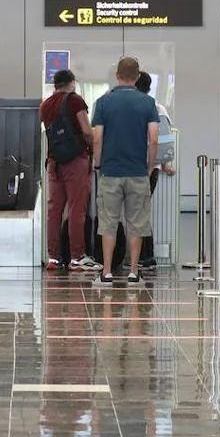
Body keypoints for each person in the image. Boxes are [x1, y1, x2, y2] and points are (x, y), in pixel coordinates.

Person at [91, 56, 159, 285]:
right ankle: (133, 272)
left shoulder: (103, 102)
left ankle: (107, 272)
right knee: (137, 223)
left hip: (110, 171)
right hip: (138, 172)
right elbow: (154, 138)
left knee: (108, 222)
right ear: (138, 77)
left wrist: (98, 164)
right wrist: (149, 166)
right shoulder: (148, 103)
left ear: (117, 76)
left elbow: (97, 138)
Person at [41, 69, 97, 271]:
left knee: (54, 210)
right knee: (76, 209)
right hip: (75, 160)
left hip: (54, 162)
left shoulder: (46, 105)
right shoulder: (75, 101)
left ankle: (54, 258)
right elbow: (86, 131)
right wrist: (93, 148)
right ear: (71, 82)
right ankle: (77, 257)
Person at [132, 71, 176, 272]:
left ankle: (145, 256)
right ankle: (142, 256)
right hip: (150, 168)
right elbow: (165, 142)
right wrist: (164, 165)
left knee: (137, 211)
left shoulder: (141, 107)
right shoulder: (159, 108)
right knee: (140, 211)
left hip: (138, 166)